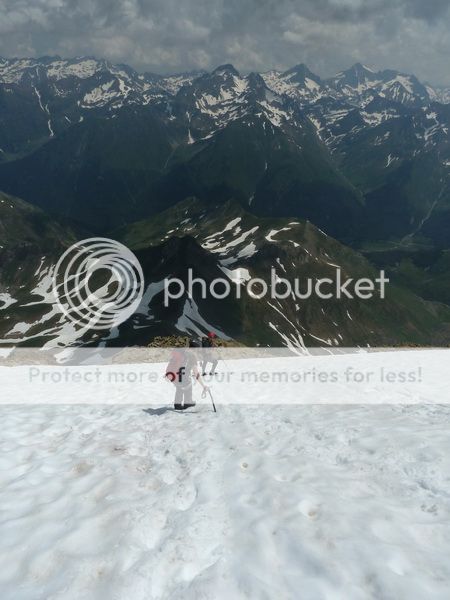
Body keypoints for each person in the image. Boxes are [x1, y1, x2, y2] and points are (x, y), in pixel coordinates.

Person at [165, 339, 209, 410]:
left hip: (173, 376)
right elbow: (196, 373)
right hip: (183, 379)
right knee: (188, 384)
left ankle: (177, 405)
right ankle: (188, 403)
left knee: (179, 387)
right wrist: (203, 385)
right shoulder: (192, 356)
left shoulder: (182, 352)